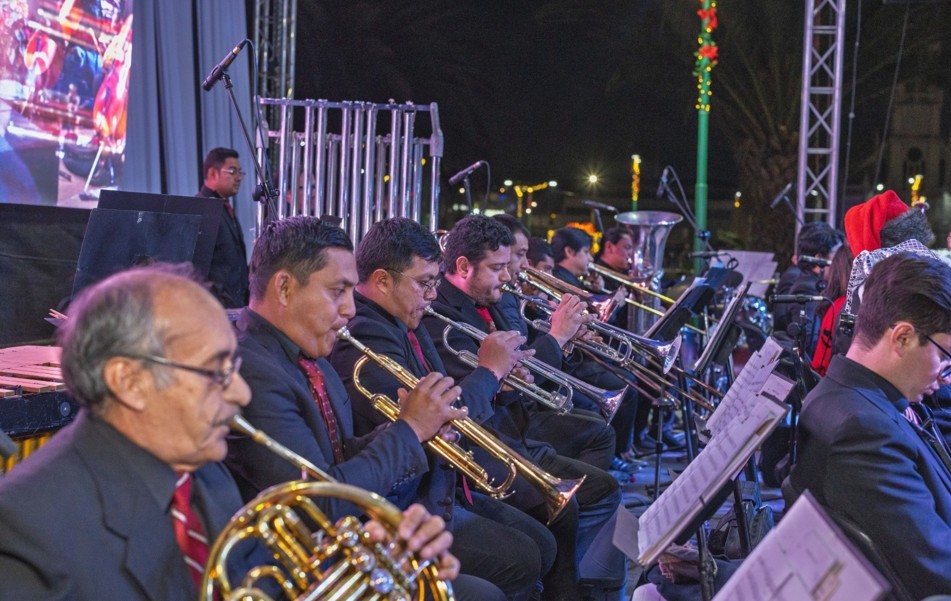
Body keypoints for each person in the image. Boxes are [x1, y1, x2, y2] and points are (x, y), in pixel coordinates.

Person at [0, 264, 460, 600]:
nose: (240, 392)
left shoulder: (203, 471)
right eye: (217, 372)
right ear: (129, 381)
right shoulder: (24, 529)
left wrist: (370, 575)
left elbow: (261, 586)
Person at [223, 216, 506, 600]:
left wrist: (407, 429)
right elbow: (318, 502)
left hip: (344, 539)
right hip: (297, 571)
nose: (350, 309)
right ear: (285, 288)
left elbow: (337, 454)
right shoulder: (253, 372)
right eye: (338, 291)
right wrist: (409, 432)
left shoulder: (310, 353)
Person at [329, 217, 556, 601]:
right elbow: (418, 424)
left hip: (443, 485)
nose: (433, 294)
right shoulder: (366, 333)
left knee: (541, 544)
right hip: (412, 502)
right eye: (425, 283)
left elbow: (441, 405)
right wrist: (489, 372)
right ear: (383, 281)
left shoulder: (405, 321)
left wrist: (504, 374)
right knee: (525, 556)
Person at [423, 215, 629, 601]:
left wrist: (558, 344)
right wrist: (553, 340)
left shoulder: (494, 301)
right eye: (498, 267)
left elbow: (522, 374)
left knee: (600, 481)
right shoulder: (441, 317)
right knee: (559, 522)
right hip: (489, 445)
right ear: (464, 267)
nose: (509, 275)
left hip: (517, 431)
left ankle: (587, 584)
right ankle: (569, 590)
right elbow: (479, 399)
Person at [785, 252, 951, 601]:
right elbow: (936, 569)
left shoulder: (848, 396)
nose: (946, 375)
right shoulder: (864, 430)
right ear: (902, 338)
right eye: (945, 357)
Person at [197, 147, 250, 309]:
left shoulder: (223, 207)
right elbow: (198, 269)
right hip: (215, 309)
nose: (239, 178)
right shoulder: (201, 209)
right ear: (213, 173)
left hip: (235, 307)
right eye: (232, 171)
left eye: (240, 172)